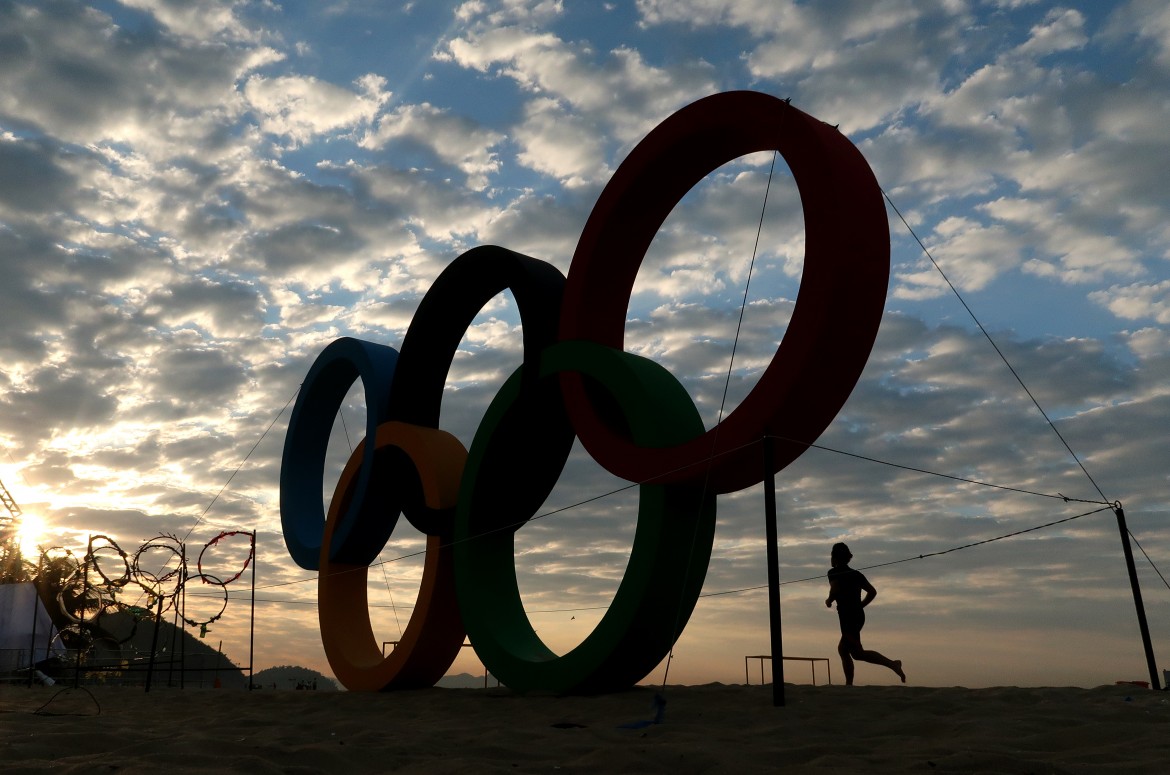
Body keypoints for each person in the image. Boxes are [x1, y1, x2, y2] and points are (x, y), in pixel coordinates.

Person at [825, 542, 906, 685]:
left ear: (834, 557)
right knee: (849, 651)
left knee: (851, 651)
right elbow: (872, 592)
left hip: (849, 617)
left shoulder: (833, 573)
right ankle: (850, 683)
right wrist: (861, 605)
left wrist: (829, 600)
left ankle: (892, 664)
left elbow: (835, 589)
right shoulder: (856, 574)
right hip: (856, 615)